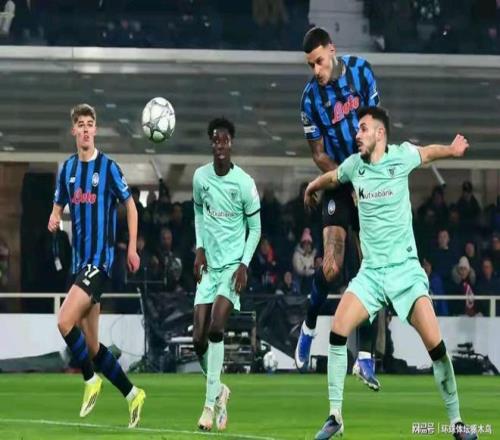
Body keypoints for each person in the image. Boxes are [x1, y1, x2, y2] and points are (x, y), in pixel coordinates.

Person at [304, 106, 476, 440]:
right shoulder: (354, 166)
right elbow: (334, 177)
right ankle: (335, 416)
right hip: (371, 274)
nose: (358, 135)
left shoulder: (402, 156)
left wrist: (452, 150)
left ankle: (457, 422)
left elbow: (428, 153)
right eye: (358, 129)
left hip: (405, 273)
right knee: (338, 331)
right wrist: (312, 186)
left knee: (436, 346)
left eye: (363, 129)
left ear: (380, 133)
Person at [47, 103, 146, 428]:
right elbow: (58, 205)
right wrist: (53, 217)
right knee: (91, 346)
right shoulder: (67, 169)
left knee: (64, 320)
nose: (86, 129)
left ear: (95, 130)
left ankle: (90, 380)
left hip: (100, 264)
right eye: (81, 124)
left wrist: (132, 247)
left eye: (90, 123)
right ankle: (133, 394)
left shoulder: (108, 168)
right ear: (74, 131)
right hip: (80, 265)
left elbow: (131, 206)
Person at [296, 25, 381, 389]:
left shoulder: (361, 71)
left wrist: (371, 176)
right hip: (338, 180)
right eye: (310, 65)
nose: (316, 70)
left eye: (319, 61)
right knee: (331, 268)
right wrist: (347, 178)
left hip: (370, 182)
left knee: (371, 268)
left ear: (332, 49)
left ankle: (365, 358)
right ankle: (308, 325)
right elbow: (318, 154)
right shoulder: (309, 100)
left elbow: (377, 127)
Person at [192, 117, 261, 431]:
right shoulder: (200, 177)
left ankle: (208, 407)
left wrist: (244, 264)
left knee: (216, 328)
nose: (220, 145)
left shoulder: (244, 183)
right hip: (209, 267)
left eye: (225, 140)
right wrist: (199, 248)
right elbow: (198, 211)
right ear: (211, 143)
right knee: (198, 340)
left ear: (231, 144)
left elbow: (255, 229)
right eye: (216, 140)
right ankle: (220, 390)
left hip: (232, 268)